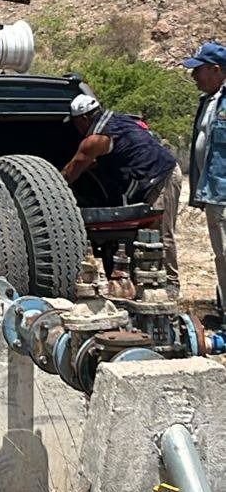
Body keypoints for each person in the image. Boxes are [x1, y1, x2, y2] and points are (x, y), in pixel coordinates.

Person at [61, 91, 182, 292]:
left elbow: (71, 172)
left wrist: (51, 188)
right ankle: (143, 280)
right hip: (151, 177)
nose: (76, 128)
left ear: (84, 119)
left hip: (161, 177)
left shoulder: (95, 139)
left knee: (159, 235)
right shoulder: (117, 119)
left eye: (75, 123)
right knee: (149, 234)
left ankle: (169, 284)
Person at [182, 40, 226, 319]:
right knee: (221, 255)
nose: (194, 76)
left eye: (199, 70)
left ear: (216, 69)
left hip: (224, 193)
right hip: (214, 193)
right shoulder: (209, 102)